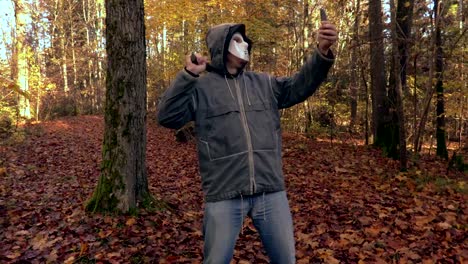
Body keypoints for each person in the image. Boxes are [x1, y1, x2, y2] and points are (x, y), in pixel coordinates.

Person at [158, 21, 337, 263]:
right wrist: (188, 75)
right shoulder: (201, 88)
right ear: (221, 47)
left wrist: (322, 52)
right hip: (224, 193)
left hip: (270, 191)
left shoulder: (264, 84)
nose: (245, 45)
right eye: (237, 40)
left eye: (245, 41)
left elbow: (300, 86)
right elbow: (167, 117)